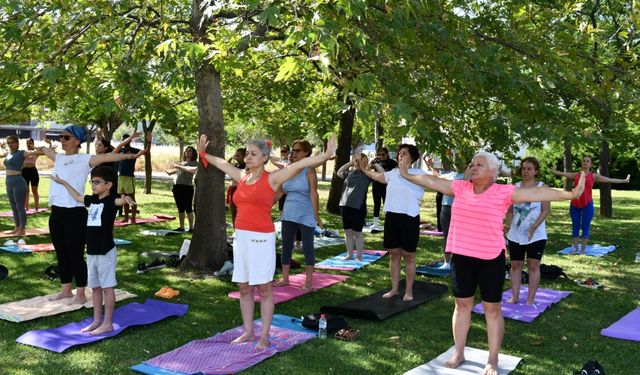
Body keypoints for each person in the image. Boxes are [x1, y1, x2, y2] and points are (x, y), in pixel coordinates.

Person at [397, 151, 586, 375]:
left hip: (490, 260)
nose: (473, 167)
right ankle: (459, 352)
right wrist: (405, 173)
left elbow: (538, 192)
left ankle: (492, 359)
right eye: (472, 163)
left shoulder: (503, 192)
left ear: (493, 172)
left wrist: (571, 194)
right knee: (462, 306)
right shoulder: (460, 187)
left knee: (492, 310)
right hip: (461, 257)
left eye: (480, 164)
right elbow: (432, 180)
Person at [197, 133, 336, 350]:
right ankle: (249, 333)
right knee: (244, 287)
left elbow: (301, 164)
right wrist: (203, 153)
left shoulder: (272, 178)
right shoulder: (241, 175)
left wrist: (326, 155)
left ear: (264, 158)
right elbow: (222, 163)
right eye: (248, 153)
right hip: (241, 237)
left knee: (264, 289)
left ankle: (264, 336)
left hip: (261, 238)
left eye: (254, 154)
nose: (248, 157)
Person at [42, 125, 146, 304]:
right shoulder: (58, 158)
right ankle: (66, 289)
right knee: (61, 252)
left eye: (66, 137)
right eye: (61, 137)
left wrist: (130, 156)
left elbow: (107, 156)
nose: (62, 140)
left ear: (77, 140)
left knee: (75, 253)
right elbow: (44, 150)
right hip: (56, 211)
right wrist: (40, 149)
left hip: (74, 212)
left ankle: (81, 292)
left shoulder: (85, 159)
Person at [50, 165, 136, 335]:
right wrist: (63, 182)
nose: (93, 185)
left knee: (107, 288)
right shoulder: (93, 200)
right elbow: (77, 196)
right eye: (92, 182)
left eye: (97, 182)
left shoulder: (111, 201)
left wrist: (126, 199)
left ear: (109, 185)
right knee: (95, 288)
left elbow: (119, 201)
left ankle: (108, 323)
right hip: (92, 252)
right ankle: (97, 321)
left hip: (105, 252)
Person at [359, 144, 425, 301]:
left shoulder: (419, 174)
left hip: (409, 218)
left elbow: (435, 183)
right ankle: (394, 289)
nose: (400, 156)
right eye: (399, 153)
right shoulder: (393, 173)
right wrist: (363, 169)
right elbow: (378, 177)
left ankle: (408, 291)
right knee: (394, 255)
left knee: (409, 256)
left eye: (404, 153)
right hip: (392, 218)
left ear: (412, 157)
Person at [551, 156, 630, 254]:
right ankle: (575, 248)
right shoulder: (576, 175)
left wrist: (624, 180)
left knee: (585, 226)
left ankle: (583, 249)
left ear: (590, 164)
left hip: (587, 205)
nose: (585, 162)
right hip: (575, 204)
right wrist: (554, 170)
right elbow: (562, 174)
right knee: (575, 226)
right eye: (584, 161)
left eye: (587, 161)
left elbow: (609, 179)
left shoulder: (594, 176)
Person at [273, 139, 322, 290]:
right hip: (289, 211)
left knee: (308, 246)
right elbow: (280, 192)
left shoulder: (309, 171)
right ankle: (285, 278)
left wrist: (316, 215)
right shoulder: (288, 170)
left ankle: (308, 281)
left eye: (298, 150)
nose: (293, 153)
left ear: (306, 153)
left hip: (306, 211)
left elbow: (314, 193)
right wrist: (266, 206)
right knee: (286, 245)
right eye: (293, 150)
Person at [505, 157, 550, 304]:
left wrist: (533, 228)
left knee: (533, 265)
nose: (525, 171)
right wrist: (509, 225)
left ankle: (530, 299)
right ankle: (515, 297)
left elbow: (545, 211)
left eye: (529, 169)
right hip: (515, 234)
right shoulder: (514, 187)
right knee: (516, 265)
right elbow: (510, 210)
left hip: (536, 235)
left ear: (536, 171)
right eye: (524, 168)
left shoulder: (543, 188)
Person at [1, 136, 44, 235]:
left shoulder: (22, 153)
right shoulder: (9, 154)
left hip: (18, 182)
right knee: (13, 206)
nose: (10, 144)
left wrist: (38, 148)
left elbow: (38, 153)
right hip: (9, 182)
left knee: (20, 206)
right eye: (9, 143)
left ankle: (22, 229)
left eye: (12, 142)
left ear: (17, 143)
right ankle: (17, 227)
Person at [336, 153, 372, 261]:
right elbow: (339, 172)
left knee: (357, 233)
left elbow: (382, 174)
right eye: (356, 160)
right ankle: (349, 254)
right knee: (347, 232)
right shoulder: (350, 173)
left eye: (359, 160)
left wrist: (372, 165)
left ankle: (359, 256)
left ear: (365, 161)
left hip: (358, 207)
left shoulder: (367, 175)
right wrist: (350, 163)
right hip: (344, 205)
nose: (357, 162)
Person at [165, 147, 198, 232]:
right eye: (186, 151)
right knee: (180, 208)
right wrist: (169, 172)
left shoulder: (195, 163)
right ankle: (181, 227)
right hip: (177, 187)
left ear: (194, 153)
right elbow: (178, 170)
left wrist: (178, 166)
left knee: (188, 208)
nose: (187, 152)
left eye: (190, 151)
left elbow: (190, 170)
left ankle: (191, 228)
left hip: (187, 187)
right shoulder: (182, 163)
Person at [368, 147, 397, 230]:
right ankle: (375, 223)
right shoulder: (377, 162)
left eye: (383, 154)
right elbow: (368, 168)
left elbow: (388, 173)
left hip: (387, 187)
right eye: (379, 154)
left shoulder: (392, 162)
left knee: (386, 204)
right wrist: (372, 162)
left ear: (387, 154)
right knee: (376, 204)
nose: (381, 156)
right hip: (376, 186)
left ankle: (388, 222)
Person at [115, 133, 141, 223]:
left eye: (126, 139)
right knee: (124, 198)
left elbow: (146, 152)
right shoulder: (120, 150)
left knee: (132, 198)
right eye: (123, 139)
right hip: (121, 177)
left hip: (129, 177)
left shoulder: (134, 150)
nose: (125, 141)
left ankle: (133, 218)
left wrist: (148, 142)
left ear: (130, 140)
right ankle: (126, 217)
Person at [23, 138, 47, 211]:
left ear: (33, 143)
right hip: (24, 171)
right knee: (26, 190)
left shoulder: (36, 152)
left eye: (30, 143)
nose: (28, 144)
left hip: (33, 171)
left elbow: (45, 152)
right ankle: (26, 208)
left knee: (34, 190)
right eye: (27, 143)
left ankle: (36, 208)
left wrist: (34, 148)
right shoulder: (23, 152)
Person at [226, 148, 247, 227]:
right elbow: (226, 165)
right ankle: (235, 231)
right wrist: (231, 158)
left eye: (239, 156)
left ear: (244, 156)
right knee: (233, 213)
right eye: (236, 155)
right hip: (232, 189)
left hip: (241, 190)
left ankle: (241, 229)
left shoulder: (246, 166)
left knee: (240, 213)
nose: (237, 157)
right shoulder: (235, 165)